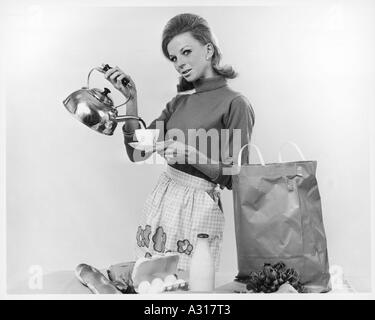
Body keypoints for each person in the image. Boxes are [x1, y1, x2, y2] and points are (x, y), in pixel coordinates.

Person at [104, 13, 255, 272]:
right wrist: (131, 98)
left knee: (189, 285)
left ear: (209, 49)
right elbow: (136, 152)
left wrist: (191, 153)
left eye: (186, 52)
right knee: (150, 281)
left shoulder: (235, 104)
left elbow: (237, 177)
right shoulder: (179, 102)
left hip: (199, 208)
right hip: (163, 197)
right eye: (174, 58)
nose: (179, 63)